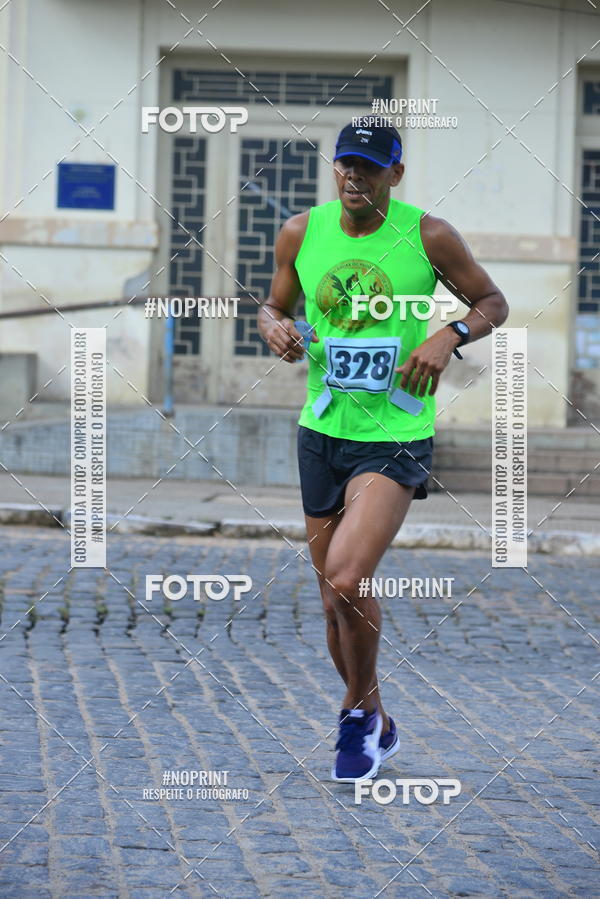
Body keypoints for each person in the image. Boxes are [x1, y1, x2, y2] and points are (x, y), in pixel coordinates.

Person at [257, 123, 509, 783]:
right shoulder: (299, 232)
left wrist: (449, 335)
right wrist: (276, 329)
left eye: (370, 168)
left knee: (346, 576)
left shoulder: (429, 236)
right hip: (321, 432)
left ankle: (354, 712)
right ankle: (375, 716)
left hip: (393, 435)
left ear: (394, 175)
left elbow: (492, 301)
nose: (355, 178)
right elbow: (271, 305)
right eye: (346, 165)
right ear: (335, 169)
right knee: (332, 602)